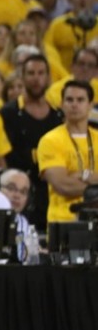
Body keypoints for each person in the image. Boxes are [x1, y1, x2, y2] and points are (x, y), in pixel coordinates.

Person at [0, 54, 64, 228]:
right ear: (22, 76)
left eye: (41, 73)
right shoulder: (8, 113)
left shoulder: (58, 115)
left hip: (50, 194)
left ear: (48, 77)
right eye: (31, 73)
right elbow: (3, 155)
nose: (36, 78)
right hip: (18, 194)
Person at [38, 80, 97, 223]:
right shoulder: (50, 140)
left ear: (90, 105)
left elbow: (70, 183)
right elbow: (63, 185)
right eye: (69, 100)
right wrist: (93, 180)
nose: (74, 104)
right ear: (62, 104)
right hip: (63, 221)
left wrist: (81, 175)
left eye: (80, 100)